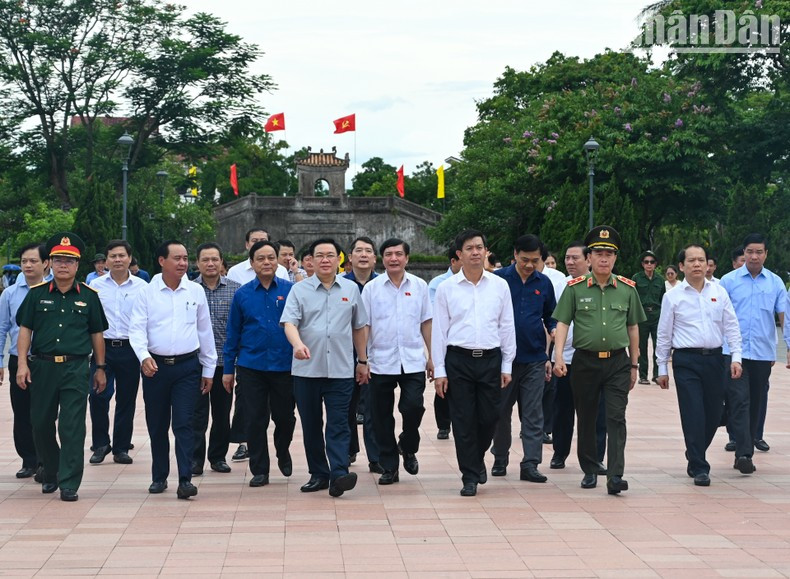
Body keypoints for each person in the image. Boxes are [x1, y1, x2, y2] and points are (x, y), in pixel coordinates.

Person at [15, 232, 108, 502]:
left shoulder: (89, 296)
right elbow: (25, 330)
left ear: (77, 265)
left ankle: (69, 482)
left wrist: (100, 367)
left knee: (72, 426)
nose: (63, 265)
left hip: (75, 368)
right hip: (42, 367)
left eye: (69, 260)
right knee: (40, 423)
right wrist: (22, 364)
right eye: (58, 260)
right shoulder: (36, 295)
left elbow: (97, 334)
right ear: (50, 264)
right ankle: (52, 470)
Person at [553, 225, 645, 495]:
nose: (604, 259)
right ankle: (590, 468)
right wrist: (558, 356)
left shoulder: (627, 289)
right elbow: (562, 323)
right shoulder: (574, 289)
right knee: (587, 417)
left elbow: (633, 328)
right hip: (585, 362)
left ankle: (615, 475)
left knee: (616, 417)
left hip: (617, 362)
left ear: (615, 258)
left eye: (609, 254)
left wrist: (634, 365)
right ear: (589, 258)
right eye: (598, 254)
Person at [129, 240, 217, 499]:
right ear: (161, 261)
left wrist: (208, 369)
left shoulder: (195, 291)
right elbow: (137, 329)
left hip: (187, 368)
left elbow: (205, 331)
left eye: (185, 258)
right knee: (157, 425)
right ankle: (159, 476)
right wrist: (143, 356)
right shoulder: (146, 292)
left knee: (184, 423)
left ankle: (185, 479)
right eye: (177, 258)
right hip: (155, 368)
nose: (182, 263)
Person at [281, 238, 369, 498]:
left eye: (331, 255)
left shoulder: (350, 289)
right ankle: (319, 474)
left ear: (339, 259)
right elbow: (289, 323)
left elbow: (359, 327)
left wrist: (362, 361)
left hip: (341, 370)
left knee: (339, 423)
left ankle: (339, 474)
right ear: (311, 260)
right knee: (311, 424)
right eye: (319, 255)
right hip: (306, 370)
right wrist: (297, 344)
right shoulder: (299, 290)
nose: (325, 260)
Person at [432, 229, 516, 497]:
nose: (476, 252)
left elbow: (507, 326)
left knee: (490, 416)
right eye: (469, 248)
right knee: (463, 419)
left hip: (490, 359)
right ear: (459, 254)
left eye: (480, 247)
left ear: (486, 251)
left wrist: (507, 365)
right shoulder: (446, 288)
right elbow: (439, 331)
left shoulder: (499, 286)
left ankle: (476, 458)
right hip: (458, 360)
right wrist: (440, 370)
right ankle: (469, 475)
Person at [655, 244, 742, 486]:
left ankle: (694, 451)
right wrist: (661, 368)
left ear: (707, 264)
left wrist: (736, 357)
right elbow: (664, 333)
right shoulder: (672, 297)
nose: (697, 264)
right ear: (681, 266)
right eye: (691, 260)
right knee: (693, 411)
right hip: (686, 361)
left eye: (701, 260)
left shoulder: (719, 292)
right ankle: (700, 465)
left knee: (714, 414)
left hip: (715, 359)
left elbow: (731, 326)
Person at [224, 240, 296, 487]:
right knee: (254, 419)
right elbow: (233, 333)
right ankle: (260, 469)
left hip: (284, 365)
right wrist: (228, 370)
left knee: (285, 418)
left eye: (271, 258)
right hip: (251, 366)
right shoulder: (242, 294)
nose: (267, 262)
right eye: (261, 259)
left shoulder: (291, 291)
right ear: (252, 263)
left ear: (278, 261)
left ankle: (282, 450)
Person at [362, 238, 432, 485]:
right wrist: (362, 360)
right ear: (382, 259)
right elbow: (365, 325)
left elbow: (426, 322)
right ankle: (389, 466)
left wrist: (433, 357)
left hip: (412, 360)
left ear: (407, 258)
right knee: (381, 416)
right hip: (380, 360)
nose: (394, 258)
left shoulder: (420, 286)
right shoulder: (371, 289)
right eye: (389, 254)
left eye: (398, 254)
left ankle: (408, 445)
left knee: (413, 407)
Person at [490, 234, 556, 483]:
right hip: (503, 360)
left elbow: (551, 316)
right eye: (525, 259)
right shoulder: (497, 280)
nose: (529, 265)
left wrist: (553, 333)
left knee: (533, 413)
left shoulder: (544, 283)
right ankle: (500, 457)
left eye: (535, 261)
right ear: (515, 254)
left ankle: (530, 463)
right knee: (500, 411)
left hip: (534, 358)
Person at [719, 233, 785, 474]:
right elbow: (717, 315)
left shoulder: (775, 283)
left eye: (759, 252)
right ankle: (744, 454)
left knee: (755, 402)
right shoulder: (728, 281)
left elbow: (784, 316)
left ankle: (744, 447)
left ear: (766, 254)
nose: (754, 256)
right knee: (739, 400)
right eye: (749, 252)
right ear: (743, 253)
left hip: (761, 353)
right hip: (732, 351)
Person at [87, 240, 147, 466]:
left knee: (126, 399)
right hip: (102, 348)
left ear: (130, 259)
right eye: (113, 256)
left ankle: (121, 447)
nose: (118, 260)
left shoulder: (142, 287)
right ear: (106, 261)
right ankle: (101, 443)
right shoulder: (95, 287)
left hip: (130, 349)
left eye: (122, 255)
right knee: (97, 396)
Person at [550, 241, 608, 472]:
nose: (570, 262)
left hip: (594, 359)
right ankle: (559, 453)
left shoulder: (602, 286)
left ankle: (596, 456)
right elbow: (553, 319)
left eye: (575, 258)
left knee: (597, 411)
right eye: (567, 258)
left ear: (588, 260)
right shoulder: (559, 286)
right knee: (562, 410)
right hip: (565, 359)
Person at [0, 243, 49, 479]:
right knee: (21, 411)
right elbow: (2, 328)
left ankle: (45, 459)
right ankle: (28, 460)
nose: (28, 265)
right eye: (24, 261)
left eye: (33, 261)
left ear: (46, 263)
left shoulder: (54, 290)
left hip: (47, 360)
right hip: (18, 359)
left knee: (45, 412)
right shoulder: (10, 294)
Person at [191, 242, 240, 476]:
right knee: (196, 414)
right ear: (197, 263)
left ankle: (218, 457)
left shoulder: (236, 291)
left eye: (214, 259)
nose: (210, 264)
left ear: (221, 262)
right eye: (205, 260)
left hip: (224, 363)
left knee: (222, 413)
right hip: (195, 363)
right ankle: (195, 459)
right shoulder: (189, 290)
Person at [343, 236, 382, 473]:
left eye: (368, 251)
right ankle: (349, 450)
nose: (364, 255)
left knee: (372, 407)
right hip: (344, 354)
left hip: (375, 355)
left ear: (375, 258)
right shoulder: (339, 284)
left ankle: (376, 457)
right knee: (346, 405)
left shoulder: (383, 284)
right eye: (359, 250)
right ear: (350, 257)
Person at [427, 243, 461, 441]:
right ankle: (443, 424)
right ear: (454, 261)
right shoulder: (438, 284)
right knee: (443, 382)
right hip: (444, 341)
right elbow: (435, 316)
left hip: (464, 344)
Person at [633, 250, 665, 385]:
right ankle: (643, 375)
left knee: (658, 345)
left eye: (652, 262)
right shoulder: (636, 278)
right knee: (642, 346)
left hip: (656, 315)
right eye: (646, 262)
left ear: (655, 264)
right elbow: (633, 297)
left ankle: (656, 375)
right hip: (642, 315)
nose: (649, 264)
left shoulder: (660, 280)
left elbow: (663, 298)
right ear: (642, 264)